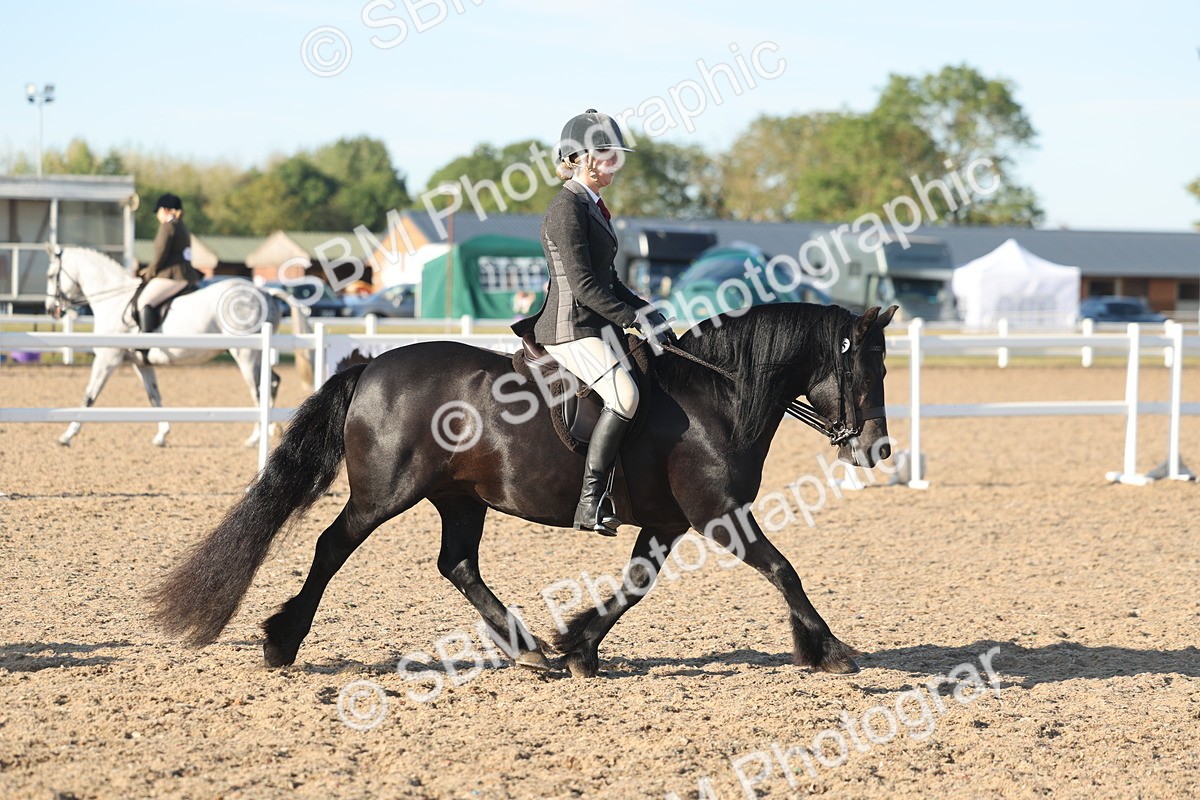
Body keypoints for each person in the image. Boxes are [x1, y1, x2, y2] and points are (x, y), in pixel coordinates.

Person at [513, 109, 677, 536]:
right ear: (583, 157)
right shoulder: (565, 208)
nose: (615, 164)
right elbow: (584, 286)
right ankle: (590, 503)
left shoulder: (593, 207)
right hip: (570, 328)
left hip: (594, 324)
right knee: (624, 397)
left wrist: (646, 312)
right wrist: (633, 321)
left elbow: (610, 280)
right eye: (607, 155)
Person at [137, 193, 200, 332]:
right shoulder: (182, 226)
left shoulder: (167, 226)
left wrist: (149, 272)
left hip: (173, 275)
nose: (157, 215)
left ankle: (145, 345)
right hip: (187, 274)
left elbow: (160, 254)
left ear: (164, 210)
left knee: (143, 302)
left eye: (158, 211)